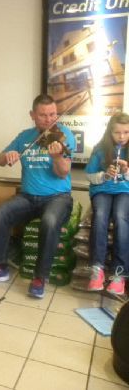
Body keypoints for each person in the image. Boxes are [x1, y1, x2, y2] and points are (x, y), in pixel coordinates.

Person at [0, 94, 75, 298]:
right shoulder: (25, 137)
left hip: (58, 197)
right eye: (43, 115)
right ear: (32, 115)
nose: (49, 120)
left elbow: (63, 172)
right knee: (2, 211)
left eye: (53, 114)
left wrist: (57, 157)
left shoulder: (64, 135)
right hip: (28, 197)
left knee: (50, 220)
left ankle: (40, 277)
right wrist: (7, 156)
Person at [85, 112, 129, 295]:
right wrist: (104, 175)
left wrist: (126, 172)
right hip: (102, 190)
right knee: (100, 215)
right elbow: (89, 175)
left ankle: (119, 274)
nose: (122, 137)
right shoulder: (100, 149)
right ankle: (97, 269)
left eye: (126, 132)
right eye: (117, 132)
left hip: (125, 191)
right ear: (110, 132)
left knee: (121, 217)